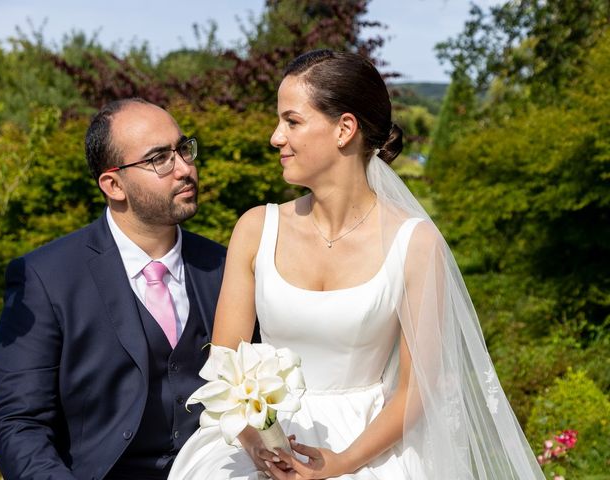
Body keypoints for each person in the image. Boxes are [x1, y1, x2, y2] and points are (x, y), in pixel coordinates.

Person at [168, 50, 545, 479]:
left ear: (344, 129)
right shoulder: (256, 228)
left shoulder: (416, 244)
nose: (276, 137)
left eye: (291, 121)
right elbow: (225, 363)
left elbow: (417, 389)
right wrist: (259, 445)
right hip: (260, 442)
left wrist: (339, 464)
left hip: (367, 447)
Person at [0, 98, 227, 480]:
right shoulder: (46, 276)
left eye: (183, 148)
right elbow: (17, 423)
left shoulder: (225, 267)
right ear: (113, 184)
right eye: (159, 158)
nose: (184, 168)